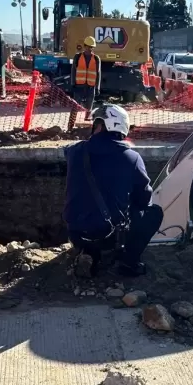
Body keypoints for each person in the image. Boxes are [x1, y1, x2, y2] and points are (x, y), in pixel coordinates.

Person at [63, 104, 163, 277]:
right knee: (153, 213)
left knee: (88, 208)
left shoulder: (75, 151)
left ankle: (89, 254)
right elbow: (144, 198)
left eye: (95, 124)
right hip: (108, 235)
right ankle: (129, 263)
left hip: (75, 232)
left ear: (100, 126)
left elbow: (70, 150)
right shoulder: (131, 158)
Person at [72, 36, 101, 118]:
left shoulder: (96, 58)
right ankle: (71, 125)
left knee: (89, 108)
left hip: (90, 87)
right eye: (88, 46)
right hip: (79, 86)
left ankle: (87, 126)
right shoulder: (77, 57)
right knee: (75, 107)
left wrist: (97, 87)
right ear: (84, 46)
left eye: (92, 47)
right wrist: (72, 83)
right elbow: (73, 71)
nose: (90, 49)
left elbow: (98, 73)